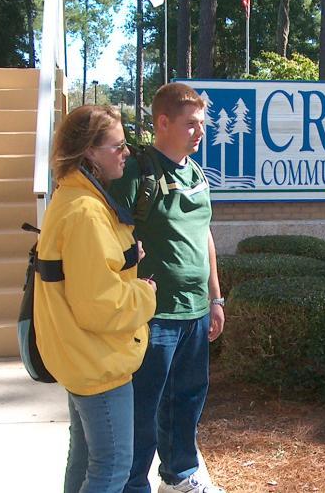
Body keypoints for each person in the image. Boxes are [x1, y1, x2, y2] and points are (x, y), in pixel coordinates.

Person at [33, 104, 158, 493]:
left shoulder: (71, 197)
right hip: (97, 361)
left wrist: (125, 258)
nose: (126, 153)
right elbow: (99, 305)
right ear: (89, 151)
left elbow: (85, 276)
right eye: (118, 146)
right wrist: (145, 293)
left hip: (78, 354)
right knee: (112, 468)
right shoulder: (86, 211)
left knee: (86, 460)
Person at [108, 83, 225, 493]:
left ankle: (178, 476)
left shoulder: (196, 174)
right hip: (154, 314)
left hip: (195, 312)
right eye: (190, 124)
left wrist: (215, 297)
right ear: (163, 123)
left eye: (201, 124)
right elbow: (105, 234)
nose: (200, 131)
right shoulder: (135, 174)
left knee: (187, 401)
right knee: (143, 407)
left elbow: (204, 234)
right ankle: (131, 483)